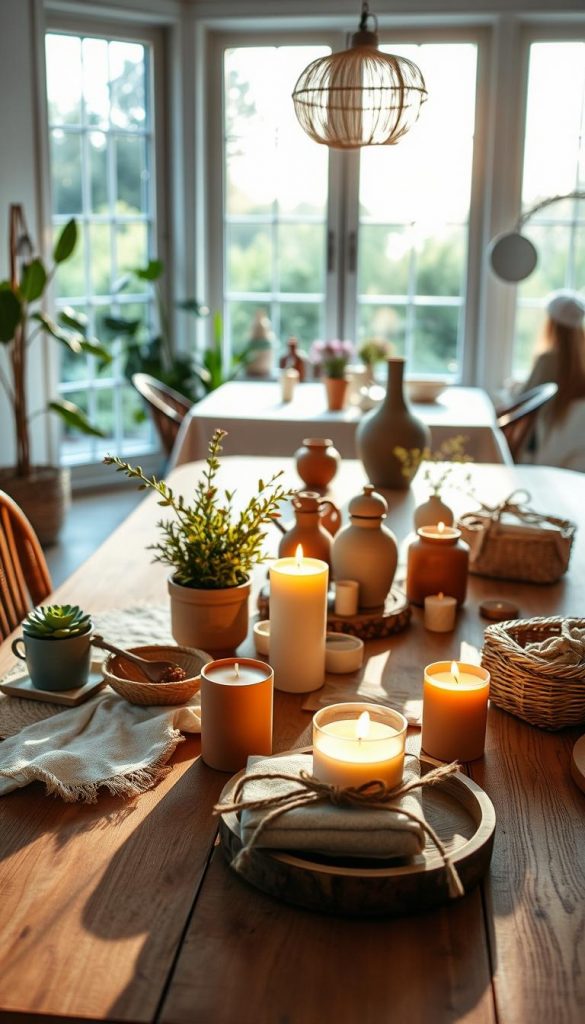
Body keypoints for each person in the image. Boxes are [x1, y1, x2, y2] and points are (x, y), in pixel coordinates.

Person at [520, 289, 585, 463]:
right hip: (577, 452)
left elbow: (523, 399)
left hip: (545, 446)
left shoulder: (547, 359)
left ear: (551, 324)